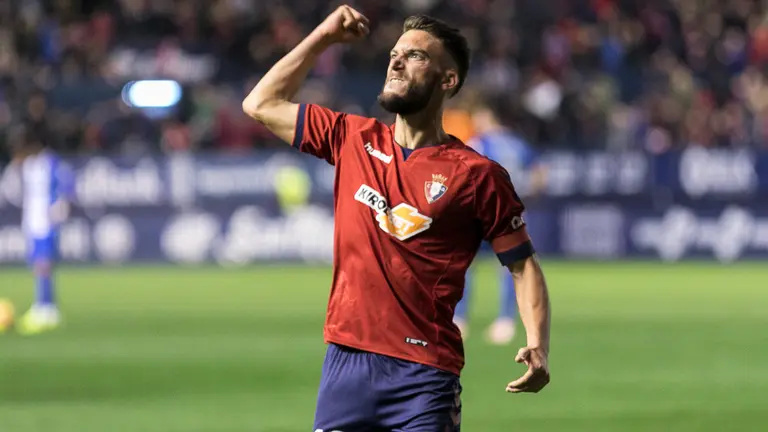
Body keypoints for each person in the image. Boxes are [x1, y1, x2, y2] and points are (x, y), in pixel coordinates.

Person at [243, 6, 551, 431]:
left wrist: (538, 345)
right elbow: (261, 104)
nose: (397, 60)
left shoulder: (477, 175)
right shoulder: (352, 138)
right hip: (345, 367)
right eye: (395, 53)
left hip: (424, 376)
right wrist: (324, 36)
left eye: (416, 55)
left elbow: (522, 265)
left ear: (448, 80)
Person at [454, 100, 548, 345]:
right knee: (511, 269)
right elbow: (540, 174)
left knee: (465, 265)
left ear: (487, 116)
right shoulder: (517, 144)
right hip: (511, 213)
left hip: (481, 211)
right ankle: (505, 321)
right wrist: (526, 197)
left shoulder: (479, 142)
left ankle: (459, 320)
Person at [13, 130, 74, 335]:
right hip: (32, 221)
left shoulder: (51, 162)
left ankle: (45, 308)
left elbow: (66, 185)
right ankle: (44, 305)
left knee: (44, 264)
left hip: (46, 221)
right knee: (38, 265)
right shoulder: (28, 165)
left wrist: (60, 206)